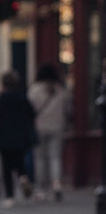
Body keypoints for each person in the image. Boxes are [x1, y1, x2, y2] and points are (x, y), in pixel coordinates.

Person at [0, 70, 36, 207]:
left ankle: (10, 196)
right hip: (21, 137)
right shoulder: (22, 98)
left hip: (4, 138)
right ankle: (23, 177)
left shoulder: (1, 99)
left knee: (7, 168)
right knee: (20, 163)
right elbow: (32, 114)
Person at [27, 64, 70, 201]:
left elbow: (29, 110)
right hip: (57, 127)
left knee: (40, 159)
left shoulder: (34, 90)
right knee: (55, 157)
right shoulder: (60, 90)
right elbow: (68, 110)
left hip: (39, 127)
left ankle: (41, 189)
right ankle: (56, 184)